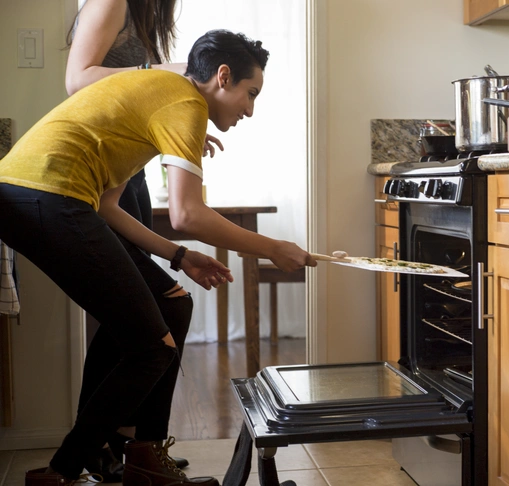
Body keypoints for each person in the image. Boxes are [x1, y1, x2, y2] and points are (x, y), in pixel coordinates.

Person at [0, 29, 315, 486]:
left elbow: (109, 206)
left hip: (38, 197)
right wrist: (273, 248)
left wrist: (179, 256)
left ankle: (144, 455)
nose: (250, 109)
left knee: (173, 304)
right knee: (152, 347)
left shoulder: (160, 96)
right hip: (47, 196)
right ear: (222, 77)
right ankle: (59, 473)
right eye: (251, 94)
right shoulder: (185, 103)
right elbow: (188, 213)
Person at [64, 0, 221, 479]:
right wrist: (166, 72)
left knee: (132, 313)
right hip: (93, 166)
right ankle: (115, 445)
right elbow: (77, 79)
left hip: (124, 170)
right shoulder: (112, 1)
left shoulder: (153, 13)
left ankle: (129, 443)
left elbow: (132, 94)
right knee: (139, 308)